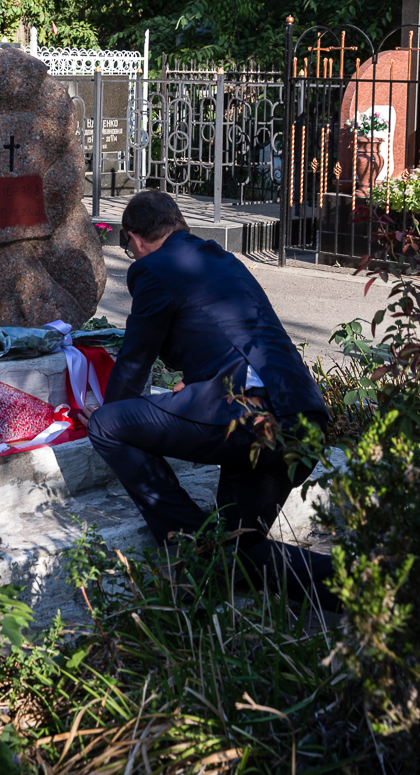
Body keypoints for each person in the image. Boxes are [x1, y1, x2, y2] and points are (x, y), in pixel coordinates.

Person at [84, 190, 338, 608]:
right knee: (237, 552)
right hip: (303, 419)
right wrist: (200, 381)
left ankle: (192, 540)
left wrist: (113, 409)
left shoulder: (154, 268)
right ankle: (361, 587)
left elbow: (136, 358)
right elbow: (227, 336)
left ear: (134, 238)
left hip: (250, 416)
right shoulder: (223, 259)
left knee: (107, 426)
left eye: (129, 248)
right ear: (178, 223)